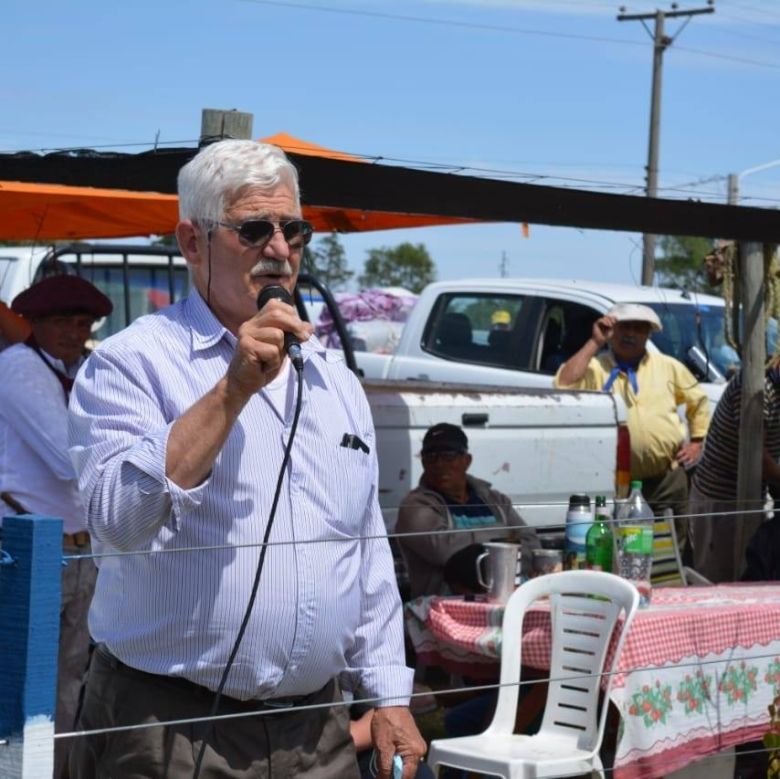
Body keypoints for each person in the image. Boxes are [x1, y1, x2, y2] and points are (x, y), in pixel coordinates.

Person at [67, 140, 425, 779]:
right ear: (192, 241)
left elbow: (363, 548)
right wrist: (231, 391)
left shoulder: (334, 379)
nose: (280, 250)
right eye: (254, 229)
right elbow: (117, 523)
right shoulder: (130, 362)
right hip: (169, 730)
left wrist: (390, 693)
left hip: (318, 730)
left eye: (294, 230)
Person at [0, 274, 112, 778]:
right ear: (36, 324)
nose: (75, 332)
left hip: (83, 548)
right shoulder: (18, 368)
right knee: (24, 677)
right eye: (62, 322)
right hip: (31, 548)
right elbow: (68, 459)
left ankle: (52, 771)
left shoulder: (85, 369)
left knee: (69, 678)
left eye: (83, 323)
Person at [554, 303, 710, 543]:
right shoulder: (597, 367)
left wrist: (697, 442)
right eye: (625, 327)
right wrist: (595, 342)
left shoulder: (667, 367)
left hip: (664, 480)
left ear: (648, 334)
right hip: (613, 483)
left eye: (639, 328)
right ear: (612, 331)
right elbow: (563, 385)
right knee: (616, 545)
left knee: (669, 549)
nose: (631, 334)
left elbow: (698, 402)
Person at [396, 422, 540, 599]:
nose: (439, 464)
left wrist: (477, 547)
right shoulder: (415, 506)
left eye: (448, 456)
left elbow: (532, 546)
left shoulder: (495, 500)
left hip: (507, 601)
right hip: (445, 613)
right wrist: (505, 540)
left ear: (466, 460)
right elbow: (447, 554)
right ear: (424, 461)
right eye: (431, 456)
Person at [688, 356, 780, 582]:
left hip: (752, 496)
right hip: (721, 501)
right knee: (718, 583)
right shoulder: (757, 388)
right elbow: (757, 454)